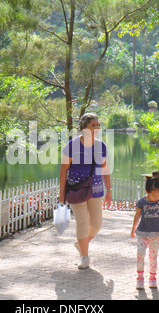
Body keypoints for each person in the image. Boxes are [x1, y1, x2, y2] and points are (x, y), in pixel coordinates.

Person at [59, 113, 112, 269]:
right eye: (92, 125)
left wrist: (109, 190)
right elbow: (63, 171)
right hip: (77, 189)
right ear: (83, 128)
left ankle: (82, 243)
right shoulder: (71, 146)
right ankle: (84, 256)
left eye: (98, 125)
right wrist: (61, 195)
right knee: (82, 223)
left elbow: (105, 168)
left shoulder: (101, 145)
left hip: (96, 189)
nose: (96, 128)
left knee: (96, 224)